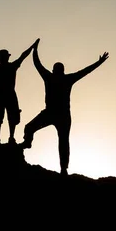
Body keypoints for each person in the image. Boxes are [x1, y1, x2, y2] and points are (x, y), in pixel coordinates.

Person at [20, 39, 109, 176]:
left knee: (60, 140)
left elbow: (37, 64)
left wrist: (35, 50)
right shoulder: (63, 78)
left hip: (60, 115)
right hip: (55, 113)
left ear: (55, 70)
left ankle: (63, 168)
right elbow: (85, 71)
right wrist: (99, 62)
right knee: (42, 133)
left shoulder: (52, 77)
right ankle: (31, 145)